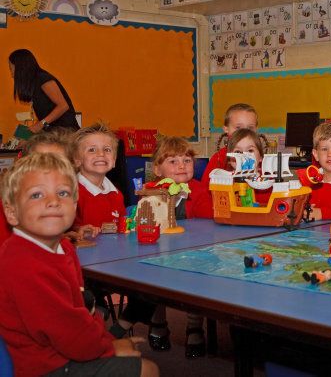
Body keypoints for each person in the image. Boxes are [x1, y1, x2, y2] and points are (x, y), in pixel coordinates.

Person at [0, 153, 158, 377]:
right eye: (36, 195)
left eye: (62, 193)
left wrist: (106, 341)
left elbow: (80, 311)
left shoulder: (63, 247)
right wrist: (109, 348)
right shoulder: (22, 262)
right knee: (147, 370)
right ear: (12, 212)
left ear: (74, 204)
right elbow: (66, 330)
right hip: (44, 366)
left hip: (64, 351)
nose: (53, 201)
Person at [113, 136, 213, 358]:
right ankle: (157, 323)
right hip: (157, 253)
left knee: (197, 276)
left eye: (187, 161)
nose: (181, 166)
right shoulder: (149, 190)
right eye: (173, 161)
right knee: (152, 279)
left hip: (192, 253)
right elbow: (143, 222)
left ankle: (194, 326)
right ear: (157, 168)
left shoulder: (199, 190)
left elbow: (207, 225)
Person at [71, 123, 125, 236]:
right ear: (77, 159)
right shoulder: (71, 192)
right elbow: (61, 230)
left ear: (114, 160)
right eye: (92, 150)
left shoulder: (117, 195)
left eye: (107, 149)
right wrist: (78, 230)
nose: (101, 154)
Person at [9, 49, 80, 132]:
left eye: (11, 69)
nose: (12, 74)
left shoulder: (43, 79)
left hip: (65, 133)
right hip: (53, 132)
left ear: (20, 68)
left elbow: (63, 106)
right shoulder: (35, 83)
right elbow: (48, 115)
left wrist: (40, 125)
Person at [200, 103, 258, 184]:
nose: (244, 133)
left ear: (256, 129)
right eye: (238, 128)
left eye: (250, 128)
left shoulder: (257, 156)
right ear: (226, 129)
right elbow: (206, 188)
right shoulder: (219, 158)